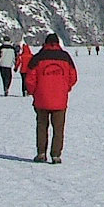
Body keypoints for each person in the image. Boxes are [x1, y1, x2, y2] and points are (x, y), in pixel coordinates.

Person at [25, 33, 78, 164]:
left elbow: (30, 79)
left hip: (41, 99)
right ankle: (56, 155)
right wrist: (65, 88)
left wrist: (34, 92)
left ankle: (41, 153)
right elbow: (73, 76)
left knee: (42, 126)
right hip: (60, 100)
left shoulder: (38, 57)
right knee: (58, 128)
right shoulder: (65, 57)